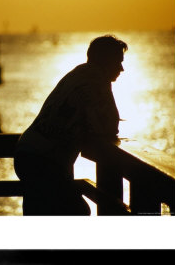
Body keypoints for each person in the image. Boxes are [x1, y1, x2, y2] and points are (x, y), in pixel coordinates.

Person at [14, 35, 128, 215]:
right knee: (78, 211)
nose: (122, 68)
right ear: (105, 61)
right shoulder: (96, 81)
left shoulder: (78, 73)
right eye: (118, 62)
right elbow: (110, 125)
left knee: (40, 212)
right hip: (45, 162)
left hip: (27, 153)